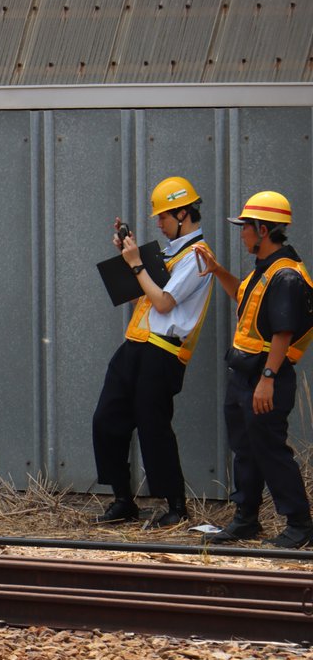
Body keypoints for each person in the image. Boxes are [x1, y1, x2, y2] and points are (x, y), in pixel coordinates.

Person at [91, 176, 215, 528]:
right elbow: (140, 296)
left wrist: (136, 265)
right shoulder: (167, 253)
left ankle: (176, 506)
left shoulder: (198, 256)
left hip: (162, 353)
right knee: (106, 419)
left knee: (153, 427)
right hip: (135, 345)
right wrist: (127, 257)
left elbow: (163, 302)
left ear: (183, 213)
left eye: (163, 216)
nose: (158, 223)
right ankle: (123, 500)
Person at [197, 191, 313, 549]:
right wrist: (217, 271)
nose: (242, 233)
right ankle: (246, 519)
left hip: (265, 377)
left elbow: (283, 332)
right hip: (244, 376)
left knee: (269, 450)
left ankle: (300, 525)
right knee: (245, 449)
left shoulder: (287, 276)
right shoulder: (265, 271)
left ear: (263, 230)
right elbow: (244, 296)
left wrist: (267, 379)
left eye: (245, 227)